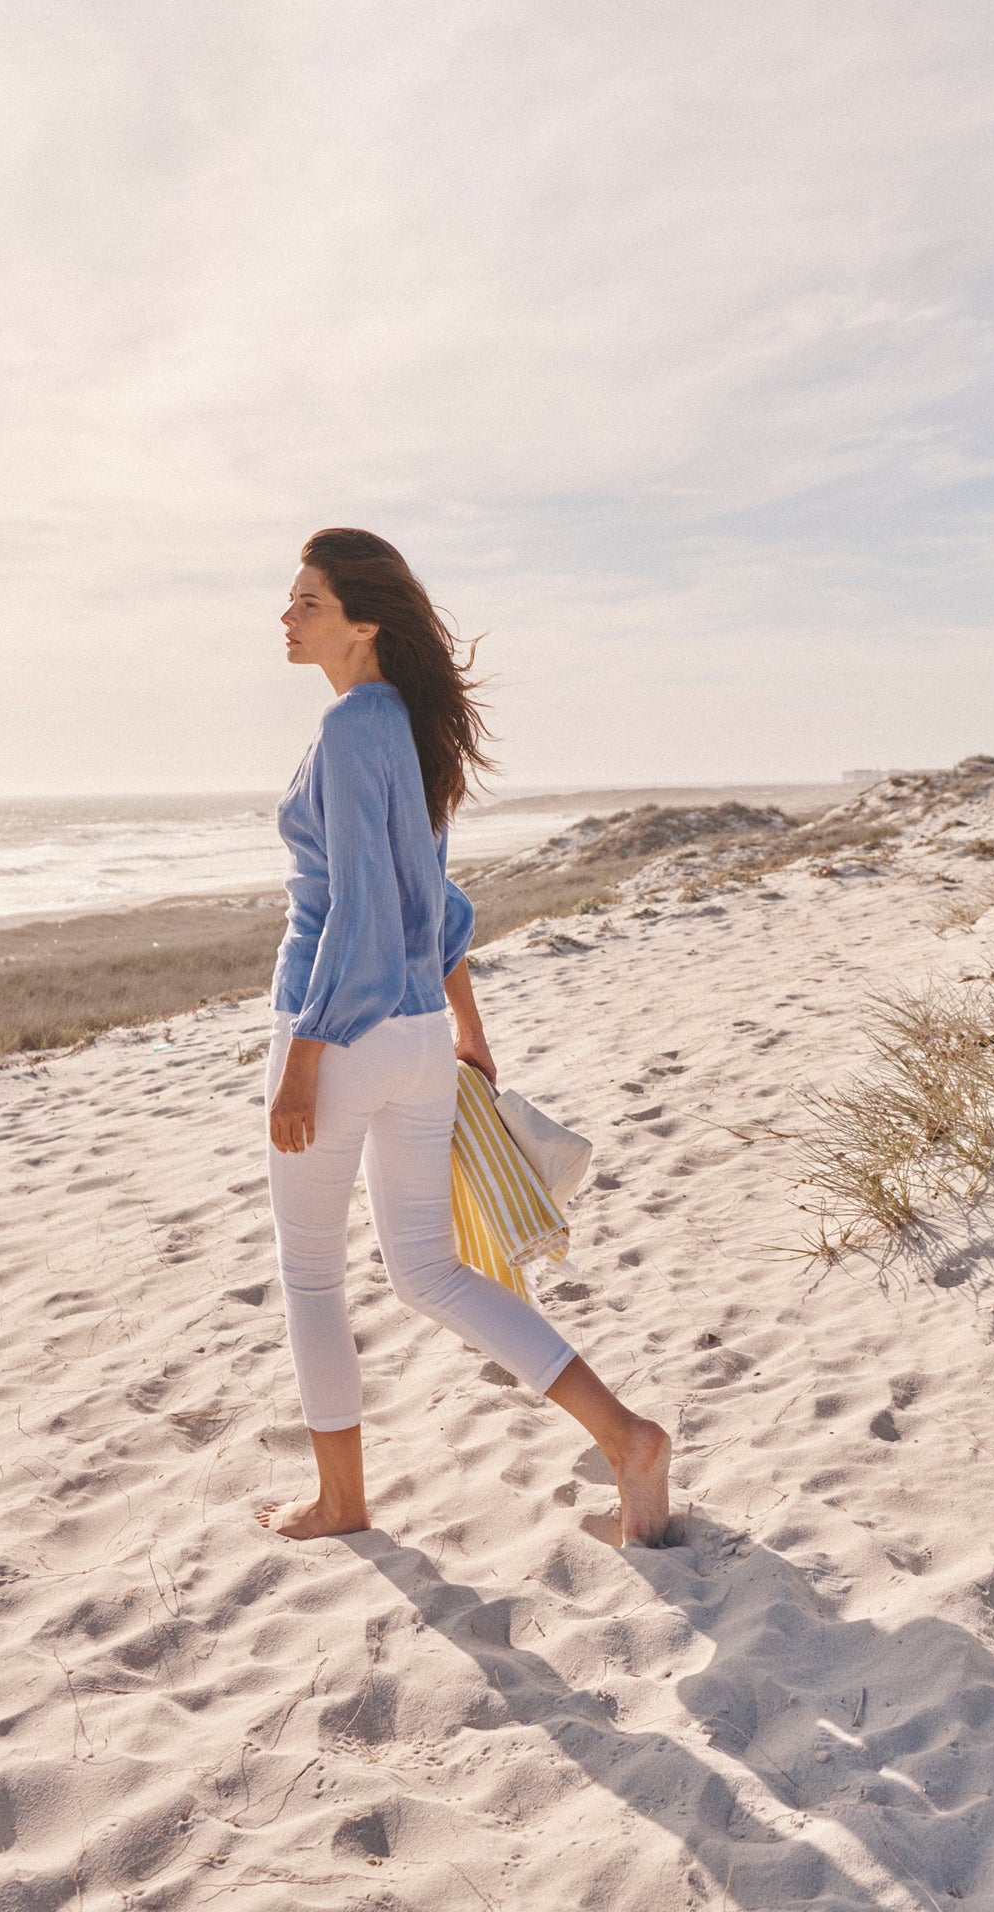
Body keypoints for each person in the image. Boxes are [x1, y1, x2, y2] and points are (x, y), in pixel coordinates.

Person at [257, 529, 671, 1545]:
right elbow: (431, 903)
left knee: (313, 1274)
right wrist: (468, 1031)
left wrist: (304, 1056)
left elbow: (357, 907)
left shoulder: (355, 728)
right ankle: (624, 1438)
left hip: (342, 1029)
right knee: (432, 1272)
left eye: (307, 601)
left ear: (362, 621)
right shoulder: (409, 728)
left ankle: (343, 1501)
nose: (287, 616)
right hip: (419, 1037)